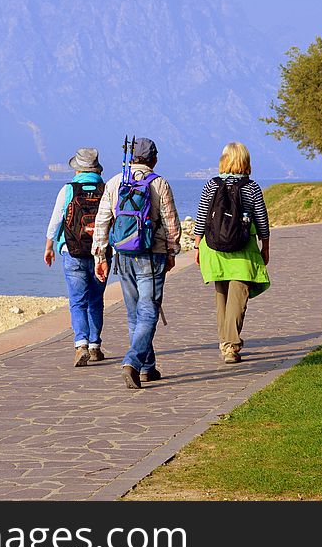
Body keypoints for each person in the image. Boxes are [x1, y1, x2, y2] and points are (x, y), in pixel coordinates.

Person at [92, 137, 181, 389]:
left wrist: (100, 257)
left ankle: (147, 368)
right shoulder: (159, 184)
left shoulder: (114, 182)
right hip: (152, 256)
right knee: (149, 312)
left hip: (123, 256)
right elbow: (172, 223)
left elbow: (102, 223)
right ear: (154, 159)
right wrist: (172, 252)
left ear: (131, 158)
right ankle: (132, 362)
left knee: (134, 315)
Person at [193, 142, 270, 364]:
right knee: (239, 296)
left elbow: (202, 218)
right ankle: (231, 346)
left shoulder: (211, 185)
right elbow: (262, 220)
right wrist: (266, 246)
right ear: (245, 161)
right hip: (243, 248)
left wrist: (197, 246)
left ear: (224, 160)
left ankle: (225, 342)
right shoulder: (252, 187)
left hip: (214, 248)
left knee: (222, 296)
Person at [44, 147, 108, 368]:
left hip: (72, 252)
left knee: (77, 300)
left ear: (77, 168)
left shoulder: (68, 189)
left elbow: (56, 220)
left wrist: (49, 245)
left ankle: (81, 343)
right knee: (96, 300)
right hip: (100, 252)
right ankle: (95, 346)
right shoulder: (105, 188)